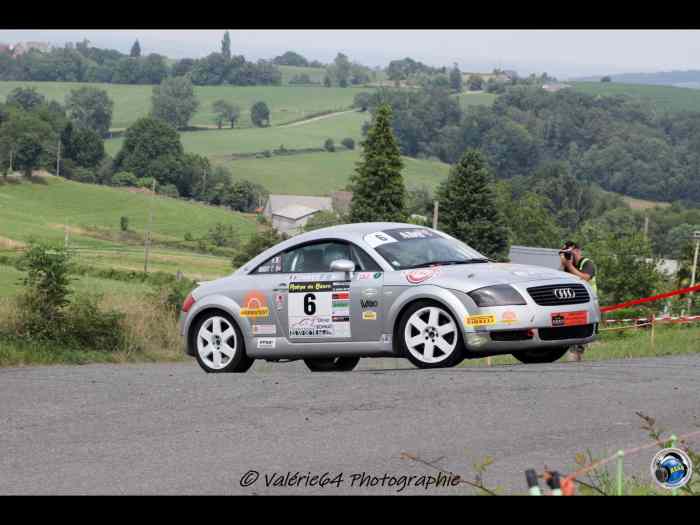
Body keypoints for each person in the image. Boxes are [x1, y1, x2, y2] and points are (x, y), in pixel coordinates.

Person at [559, 241, 597, 362]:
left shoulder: (587, 263)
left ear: (577, 250)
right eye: (564, 253)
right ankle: (573, 354)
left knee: (580, 332)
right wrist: (563, 264)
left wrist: (570, 266)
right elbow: (558, 277)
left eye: (568, 253)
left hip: (587, 302)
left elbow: (585, 277)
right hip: (572, 303)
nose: (567, 256)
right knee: (571, 332)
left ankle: (576, 355)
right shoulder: (566, 266)